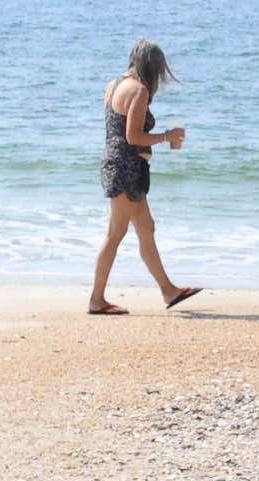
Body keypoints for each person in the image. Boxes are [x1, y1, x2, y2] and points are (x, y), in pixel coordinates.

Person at [89, 41, 199, 315]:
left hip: (121, 165)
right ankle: (96, 300)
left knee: (146, 228)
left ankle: (168, 290)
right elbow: (132, 136)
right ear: (151, 68)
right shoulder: (138, 90)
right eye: (159, 72)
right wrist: (167, 136)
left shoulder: (114, 84)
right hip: (125, 169)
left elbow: (116, 132)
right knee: (115, 234)